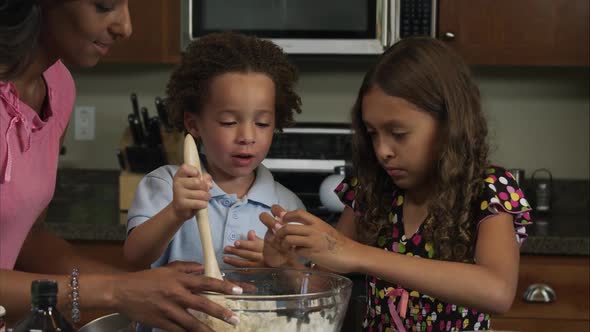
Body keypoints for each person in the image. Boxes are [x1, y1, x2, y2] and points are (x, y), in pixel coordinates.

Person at [260, 37, 533, 332]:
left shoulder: (488, 190)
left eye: (399, 133)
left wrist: (359, 254)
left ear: (448, 126)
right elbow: (323, 287)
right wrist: (286, 265)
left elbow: (497, 292)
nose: (382, 150)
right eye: (373, 133)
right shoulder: (371, 192)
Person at [0, 1, 243, 331]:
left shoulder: (58, 87)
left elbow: (25, 240)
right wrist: (115, 292)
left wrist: (142, 286)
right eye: (104, 5)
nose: (125, 27)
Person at [123, 32, 305, 278]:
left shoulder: (287, 207)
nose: (247, 136)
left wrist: (280, 265)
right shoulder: (166, 185)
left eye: (262, 123)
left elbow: (306, 288)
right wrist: (175, 212)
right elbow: (134, 259)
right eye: (229, 122)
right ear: (194, 124)